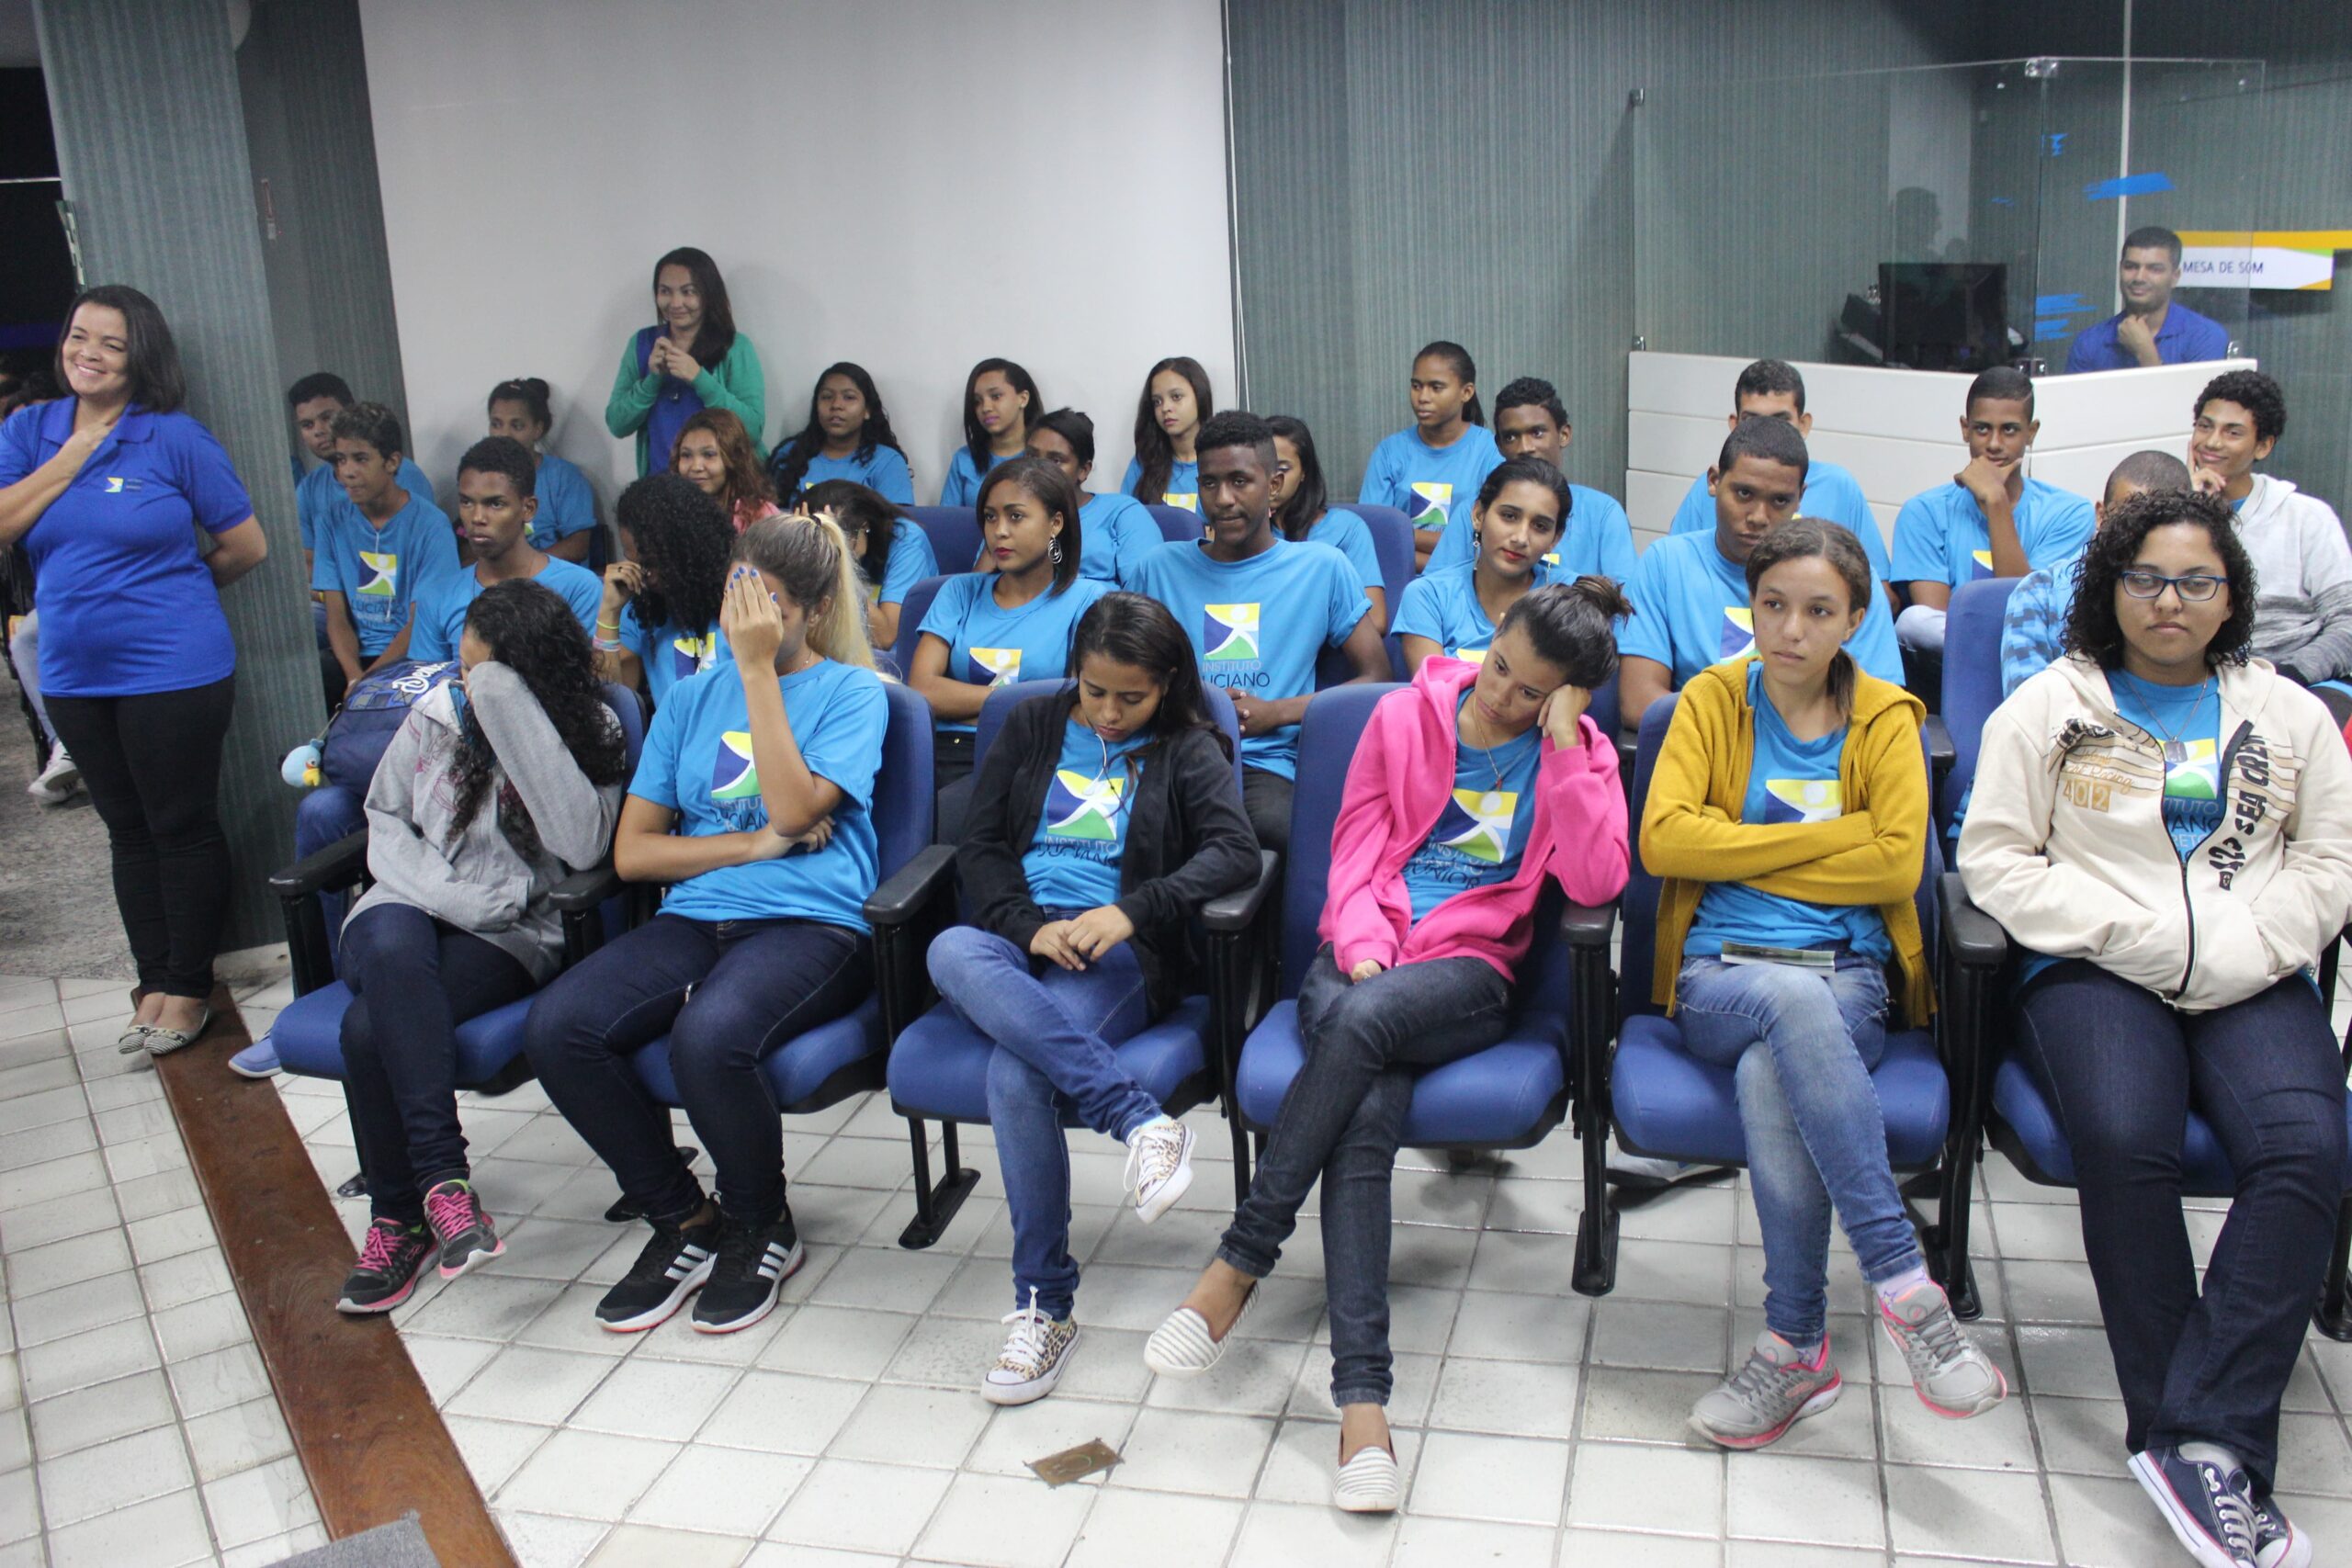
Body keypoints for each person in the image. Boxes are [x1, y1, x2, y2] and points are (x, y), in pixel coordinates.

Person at [1145, 581, 1631, 1513]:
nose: (1504, 695)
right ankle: (1362, 1409)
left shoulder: (1580, 753)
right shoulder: (1406, 718)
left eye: (1534, 691)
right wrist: (1365, 947)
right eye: (1500, 666)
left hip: (1468, 974)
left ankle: (1238, 1262)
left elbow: (1597, 879)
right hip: (1361, 953)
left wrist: (1567, 745)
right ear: (1490, 637)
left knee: (1362, 1028)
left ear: (1566, 696)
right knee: (1363, 1115)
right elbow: (1355, 855)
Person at [1961, 488, 2352, 1568]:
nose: (2168, 601)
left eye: (2195, 581)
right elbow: (1993, 858)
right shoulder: (2050, 706)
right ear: (2111, 586)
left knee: (2308, 1146)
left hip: (2250, 966)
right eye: (2146, 578)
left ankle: (2195, 1439)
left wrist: (2254, 941)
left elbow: (2330, 861)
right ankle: (2200, 1441)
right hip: (2092, 965)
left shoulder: (2288, 714)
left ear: (2231, 595)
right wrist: (2122, 933)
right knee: (2125, 1138)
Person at [1642, 517, 2006, 1450]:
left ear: (1853, 620)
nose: (1791, 629)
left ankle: (1796, 1346)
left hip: (1848, 979)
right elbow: (1665, 842)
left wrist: (1739, 850)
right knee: (1786, 1005)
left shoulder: (1887, 717)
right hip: (1721, 973)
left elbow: (1895, 868)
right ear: (1750, 608)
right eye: (1772, 605)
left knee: (1775, 1063)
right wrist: (1834, 837)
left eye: (1817, 611)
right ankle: (1904, 1283)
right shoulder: (1709, 702)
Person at [525, 513, 887, 1336]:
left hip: (811, 919)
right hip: (697, 914)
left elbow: (793, 808)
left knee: (707, 1036)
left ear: (814, 608)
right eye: (736, 598)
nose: (744, 620)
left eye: (768, 606)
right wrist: (752, 844)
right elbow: (635, 854)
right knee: (558, 1027)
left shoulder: (853, 693)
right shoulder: (688, 699)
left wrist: (756, 670)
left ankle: (761, 1221)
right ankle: (684, 1215)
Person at [933, 592, 1258, 1404]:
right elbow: (981, 846)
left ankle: (1044, 1306)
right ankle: (1141, 1121)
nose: (1110, 713)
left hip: (1116, 953)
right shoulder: (1032, 724)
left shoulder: (1187, 746)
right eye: (1095, 690)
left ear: (1167, 684)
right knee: (949, 947)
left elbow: (1235, 851)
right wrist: (1027, 925)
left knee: (1017, 1074)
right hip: (1022, 939)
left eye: (1132, 697)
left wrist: (1129, 911)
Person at [333, 580, 629, 1313]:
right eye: (464, 670)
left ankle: (398, 1220)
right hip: (405, 901)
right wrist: (457, 898)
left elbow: (582, 845)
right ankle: (445, 1182)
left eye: (483, 674)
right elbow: (385, 820)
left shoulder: (593, 728)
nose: (465, 685)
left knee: (367, 1027)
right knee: (393, 951)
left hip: (511, 932)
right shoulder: (438, 713)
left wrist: (507, 709)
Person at [0, 285, 268, 1053]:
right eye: (78, 335)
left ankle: (189, 989)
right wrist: (71, 458)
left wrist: (170, 593)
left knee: (179, 827)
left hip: (174, 668)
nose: (87, 353)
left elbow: (246, 546)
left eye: (110, 343)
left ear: (140, 357)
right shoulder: (28, 430)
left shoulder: (174, 437)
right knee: (126, 832)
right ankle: (152, 983)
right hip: (73, 673)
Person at [1130, 411, 1391, 852]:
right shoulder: (1157, 568)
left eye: (1239, 481)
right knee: (1148, 836)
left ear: (1273, 486)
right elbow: (1124, 677)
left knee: (1285, 836)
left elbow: (1377, 677)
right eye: (1209, 483)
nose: (1223, 499)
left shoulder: (1321, 568)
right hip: (1173, 757)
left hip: (1266, 766)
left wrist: (1276, 712)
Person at [1622, 418, 1904, 733]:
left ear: (1800, 496)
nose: (1758, 517)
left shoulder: (1847, 576)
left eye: (1780, 501)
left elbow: (1881, 713)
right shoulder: (1665, 564)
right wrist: (1751, 734)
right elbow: (1639, 703)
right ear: (1714, 482)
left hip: (1821, 757)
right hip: (1703, 752)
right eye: (1744, 493)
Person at [910, 457, 1110, 792]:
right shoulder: (958, 592)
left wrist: (963, 705)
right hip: (950, 755)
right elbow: (923, 689)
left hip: (1035, 757)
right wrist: (1019, 702)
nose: (999, 531)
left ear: (1055, 523)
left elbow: (1078, 703)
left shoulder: (1088, 598)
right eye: (990, 517)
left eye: (1015, 516)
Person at [1890, 367, 2096, 655]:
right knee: (1913, 620)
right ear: (1965, 429)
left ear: (2031, 432)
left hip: (2034, 656)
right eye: (1982, 429)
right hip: (1952, 658)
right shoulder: (1923, 512)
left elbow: (2027, 613)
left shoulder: (2071, 513)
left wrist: (1996, 501)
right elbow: (1936, 622)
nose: (1994, 444)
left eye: (2009, 430)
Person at [1661, 359, 1890, 592]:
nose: (1767, 431)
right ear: (1734, 424)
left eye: (1781, 420)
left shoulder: (1838, 486)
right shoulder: (1708, 490)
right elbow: (1677, 572)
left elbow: (1878, 589)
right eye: (1744, 493)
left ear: (1804, 424)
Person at [2188, 369, 2352, 692]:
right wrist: (2187, 508)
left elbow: (2347, 622)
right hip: (2208, 683)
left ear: (2263, 446)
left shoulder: (2307, 517)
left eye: (2232, 432)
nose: (2212, 442)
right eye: (2205, 426)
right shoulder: (2174, 519)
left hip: (2303, 680)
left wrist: (2287, 678)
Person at [1997, 451, 2195, 700]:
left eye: (2159, 527)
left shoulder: (2199, 598)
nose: (2138, 539)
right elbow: (2029, 709)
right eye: (2126, 520)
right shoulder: (2040, 595)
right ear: (2101, 515)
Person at [408, 438, 605, 665]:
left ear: (528, 508)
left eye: (495, 504)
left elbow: (587, 680)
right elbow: (428, 684)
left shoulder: (579, 588)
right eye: (467, 502)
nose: (477, 518)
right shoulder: (437, 597)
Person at [1426, 378, 1637, 585]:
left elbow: (1624, 598)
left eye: (1537, 433)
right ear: (1499, 446)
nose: (1525, 447)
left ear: (1564, 434)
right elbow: (1435, 588)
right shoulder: (1476, 509)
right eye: (1511, 437)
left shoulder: (1602, 513)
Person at [313, 403, 459, 701]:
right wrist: (354, 676)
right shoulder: (331, 520)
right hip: (356, 658)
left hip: (415, 656)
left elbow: (421, 623)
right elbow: (336, 615)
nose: (347, 472)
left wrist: (368, 682)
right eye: (341, 460)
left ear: (392, 462)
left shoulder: (431, 525)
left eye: (360, 459)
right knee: (311, 675)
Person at [1394, 458, 1573, 673]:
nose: (1520, 538)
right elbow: (1435, 690)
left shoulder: (1573, 597)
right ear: (1478, 515)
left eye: (1540, 526)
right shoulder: (1428, 596)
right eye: (1509, 516)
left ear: (1555, 539)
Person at [604, 246, 765, 478]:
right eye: (665, 291)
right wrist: (652, 381)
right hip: (661, 488)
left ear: (708, 294)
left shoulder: (735, 346)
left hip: (724, 490)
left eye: (688, 292)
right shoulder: (642, 343)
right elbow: (617, 424)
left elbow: (752, 430)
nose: (675, 302)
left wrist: (700, 379)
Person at [595, 474, 736, 711]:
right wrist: (609, 612)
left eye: (650, 563)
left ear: (686, 550)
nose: (644, 575)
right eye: (635, 563)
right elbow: (613, 702)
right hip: (674, 734)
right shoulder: (642, 610)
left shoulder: (739, 595)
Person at [1358, 341, 1502, 570]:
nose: (1422, 397)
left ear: (1466, 392)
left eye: (1436, 387)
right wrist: (1450, 553)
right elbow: (1372, 535)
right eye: (1416, 386)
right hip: (1400, 582)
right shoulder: (1389, 452)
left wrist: (1405, 536)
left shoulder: (1490, 451)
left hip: (1467, 582)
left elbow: (1491, 539)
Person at [288, 371, 429, 575]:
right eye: (307, 425)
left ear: (349, 415)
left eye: (327, 418)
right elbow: (307, 563)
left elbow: (411, 557)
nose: (318, 431)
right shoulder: (309, 489)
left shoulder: (399, 473)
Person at [1268, 414, 1385, 631]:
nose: (1272, 478)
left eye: (1283, 468)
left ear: (1304, 472)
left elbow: (1376, 621)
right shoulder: (1245, 532)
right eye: (1262, 467)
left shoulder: (1347, 528)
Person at [2064, 225, 2231, 374]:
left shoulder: (2205, 336)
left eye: (2154, 269)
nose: (2139, 277)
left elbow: (2197, 400)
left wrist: (2146, 353)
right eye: (2130, 267)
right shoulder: (2089, 342)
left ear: (2175, 277)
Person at [1024, 408, 1160, 587]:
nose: (1039, 468)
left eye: (1056, 460)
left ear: (1083, 470)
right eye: (1032, 456)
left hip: (1105, 605)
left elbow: (1146, 590)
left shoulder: (1121, 512)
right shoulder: (1010, 515)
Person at [805, 478, 938, 650]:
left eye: (838, 536)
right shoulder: (807, 542)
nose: (822, 547)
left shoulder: (907, 541)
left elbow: (884, 638)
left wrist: (839, 561)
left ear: (864, 528)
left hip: (887, 657)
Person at [767, 362, 914, 506]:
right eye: (827, 397)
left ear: (867, 410)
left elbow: (900, 520)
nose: (836, 405)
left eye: (849, 397)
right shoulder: (790, 454)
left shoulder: (886, 462)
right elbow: (768, 515)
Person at [486, 378, 597, 562]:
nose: (504, 434)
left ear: (537, 429)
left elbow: (577, 546)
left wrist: (525, 567)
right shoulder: (481, 477)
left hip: (552, 575)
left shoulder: (564, 477)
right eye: (496, 424)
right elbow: (469, 545)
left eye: (517, 426)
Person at [938, 358, 1040, 506]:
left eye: (996, 396)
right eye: (977, 401)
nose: (985, 408)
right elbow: (947, 517)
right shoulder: (965, 459)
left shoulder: (1044, 456)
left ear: (1023, 398)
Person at [1124, 355, 1212, 510]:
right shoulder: (1143, 463)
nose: (1165, 408)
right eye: (1157, 402)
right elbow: (1125, 519)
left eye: (1176, 397)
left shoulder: (1220, 461)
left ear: (1200, 397)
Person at [672, 408, 780, 533]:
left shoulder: (760, 515)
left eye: (708, 454)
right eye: (686, 455)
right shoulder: (669, 510)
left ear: (734, 459)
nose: (696, 467)